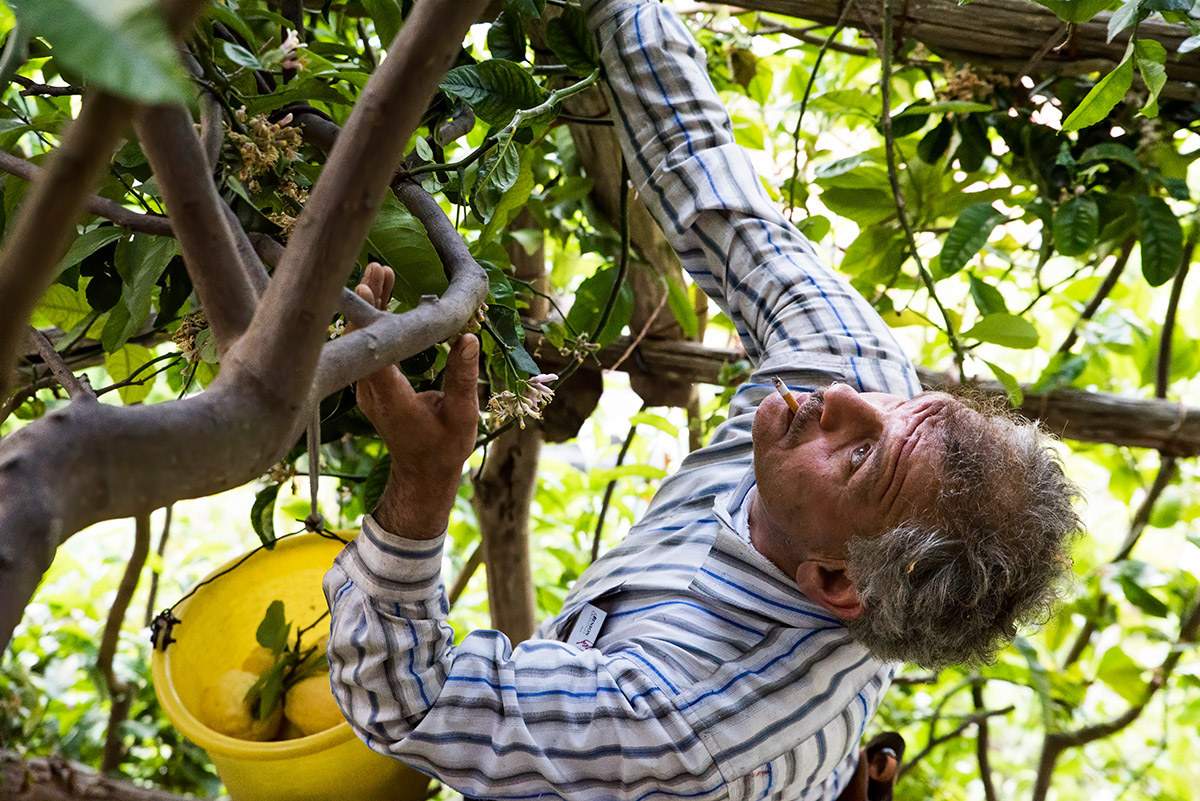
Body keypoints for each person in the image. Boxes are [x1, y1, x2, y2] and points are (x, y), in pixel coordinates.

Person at [323, 1, 1082, 798]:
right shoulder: (861, 378)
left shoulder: (684, 727)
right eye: (906, 405)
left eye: (863, 457)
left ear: (836, 583)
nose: (839, 399)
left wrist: (421, 481)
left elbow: (407, 701)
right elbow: (710, 182)